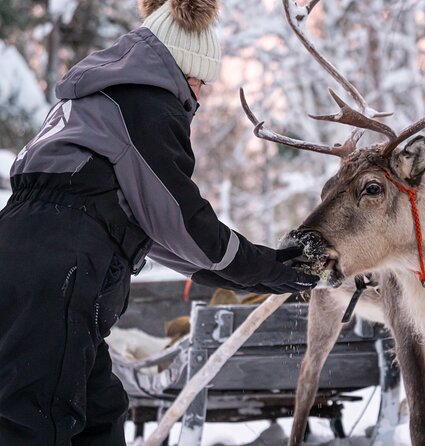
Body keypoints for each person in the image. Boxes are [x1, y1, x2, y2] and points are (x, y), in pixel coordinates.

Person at [0, 0, 319, 444]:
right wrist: (270, 268)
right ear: (180, 67)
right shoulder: (145, 104)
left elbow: (156, 228)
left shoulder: (97, 99)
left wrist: (256, 272)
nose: (200, 96)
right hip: (63, 272)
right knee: (39, 419)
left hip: (31, 257)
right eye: (198, 81)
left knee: (97, 411)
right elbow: (186, 223)